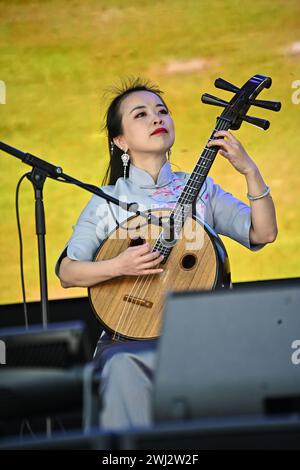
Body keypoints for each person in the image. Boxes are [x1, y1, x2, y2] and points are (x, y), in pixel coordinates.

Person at [55, 77, 277, 430]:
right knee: (124, 368)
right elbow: (68, 272)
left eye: (162, 111)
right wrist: (119, 264)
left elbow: (262, 233)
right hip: (129, 336)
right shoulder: (107, 199)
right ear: (120, 141)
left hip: (201, 333)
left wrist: (250, 170)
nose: (156, 118)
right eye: (140, 114)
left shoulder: (202, 187)